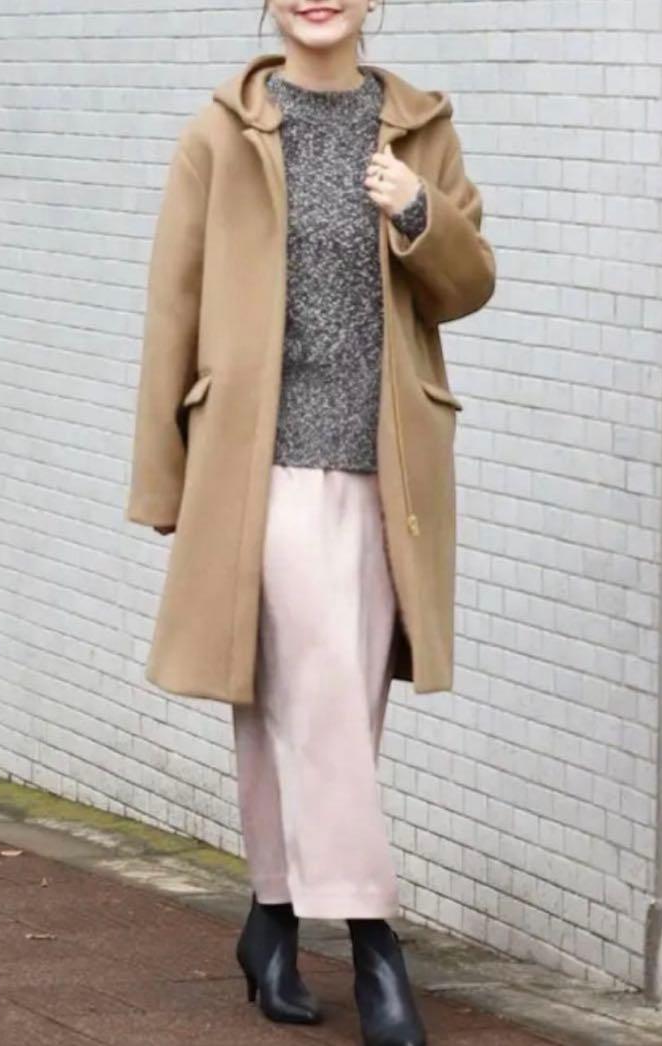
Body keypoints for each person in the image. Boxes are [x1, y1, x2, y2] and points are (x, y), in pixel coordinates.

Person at [125, 3, 496, 1043]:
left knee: (315, 707)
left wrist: (418, 210)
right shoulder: (221, 134)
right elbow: (173, 307)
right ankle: (377, 944)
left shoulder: (419, 130)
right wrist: (164, 482)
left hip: (387, 472)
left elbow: (468, 286)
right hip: (263, 468)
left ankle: (273, 917)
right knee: (324, 692)